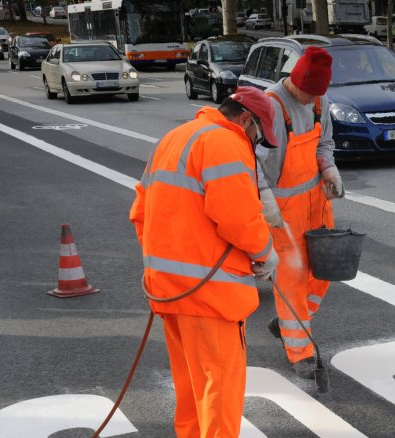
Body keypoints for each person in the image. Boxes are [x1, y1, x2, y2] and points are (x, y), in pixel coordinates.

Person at [129, 86, 281, 438]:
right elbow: (238, 218)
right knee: (219, 390)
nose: (256, 146)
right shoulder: (225, 143)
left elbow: (140, 213)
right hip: (211, 296)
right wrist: (264, 252)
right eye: (258, 137)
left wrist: (173, 262)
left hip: (169, 291)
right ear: (245, 119)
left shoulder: (174, 138)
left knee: (191, 389)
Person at [256, 46, 344, 379]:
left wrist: (328, 169)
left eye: (317, 95)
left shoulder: (320, 101)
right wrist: (264, 200)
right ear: (295, 82)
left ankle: (289, 321)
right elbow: (253, 162)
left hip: (315, 203)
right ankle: (300, 353)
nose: (311, 102)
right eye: (307, 94)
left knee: (324, 271)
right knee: (292, 277)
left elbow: (324, 143)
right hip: (282, 209)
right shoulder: (272, 107)